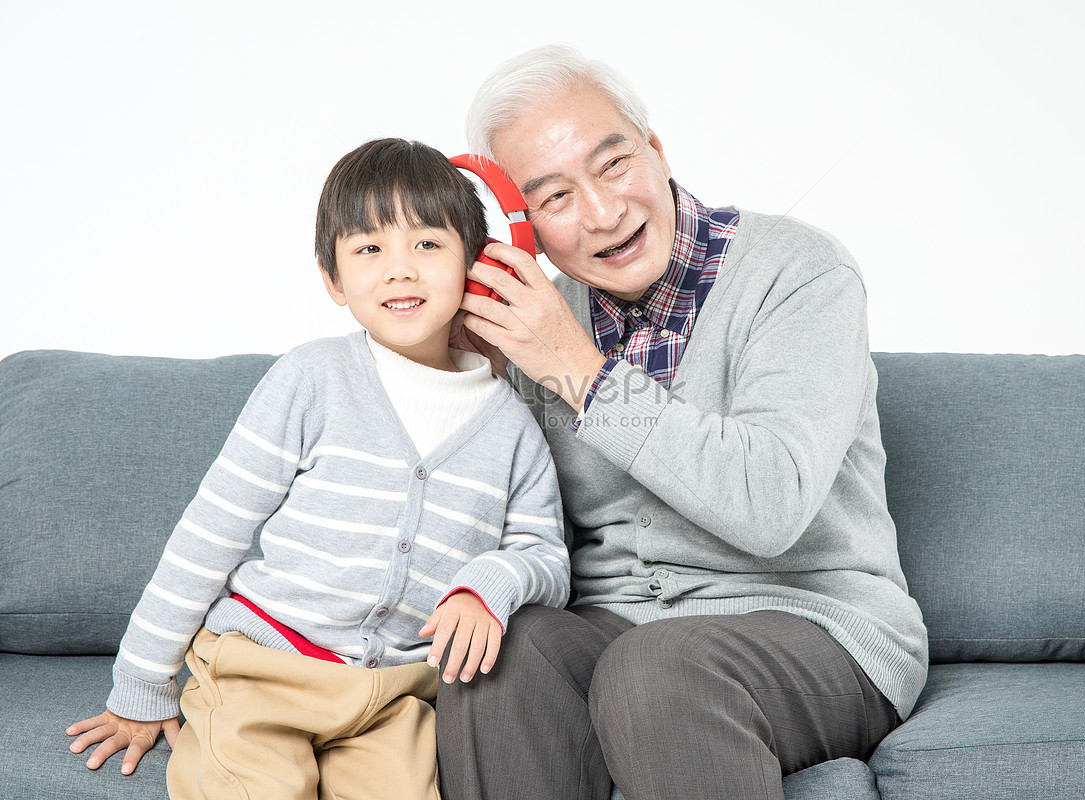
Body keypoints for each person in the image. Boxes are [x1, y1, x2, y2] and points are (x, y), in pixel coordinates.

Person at [437, 45, 929, 800]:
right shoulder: (538, 325)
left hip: (817, 629)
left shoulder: (800, 273)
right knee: (499, 652)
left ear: (657, 151)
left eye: (613, 165)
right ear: (520, 227)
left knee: (656, 667)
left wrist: (580, 372)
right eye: (555, 198)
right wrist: (459, 372)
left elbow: (771, 505)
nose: (605, 213)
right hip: (620, 633)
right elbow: (497, 536)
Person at [65, 138, 570, 800]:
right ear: (334, 280)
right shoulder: (312, 378)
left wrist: (489, 584)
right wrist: (141, 681)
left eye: (426, 245)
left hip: (393, 701)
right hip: (263, 672)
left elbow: (548, 558)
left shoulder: (512, 427)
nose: (399, 270)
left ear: (477, 268)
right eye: (369, 249)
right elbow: (210, 533)